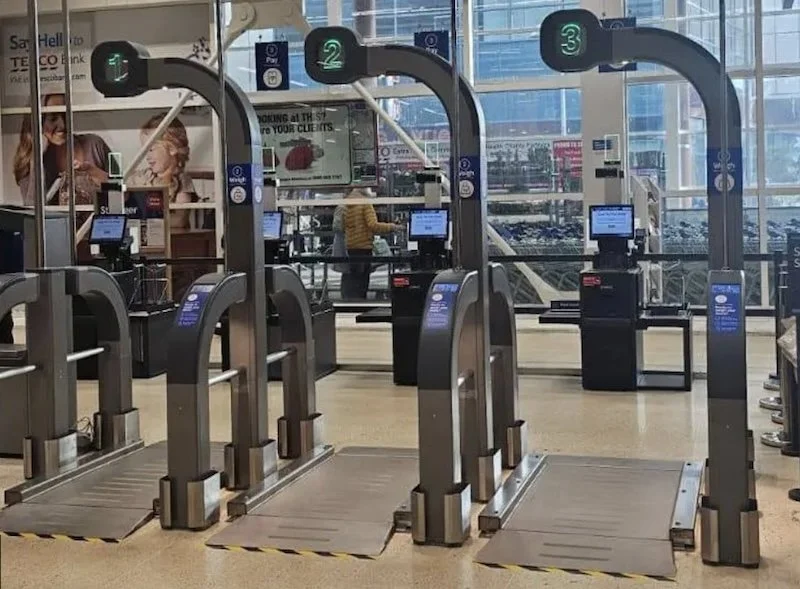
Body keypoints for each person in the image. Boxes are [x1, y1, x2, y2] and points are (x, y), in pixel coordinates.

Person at [14, 93, 111, 208]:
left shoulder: (95, 144)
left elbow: (125, 195)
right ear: (37, 122)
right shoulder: (27, 159)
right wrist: (38, 156)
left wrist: (94, 173)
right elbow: (32, 213)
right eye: (53, 118)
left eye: (66, 116)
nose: (63, 125)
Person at [133, 113, 197, 229]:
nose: (147, 156)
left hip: (173, 241)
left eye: (151, 149)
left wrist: (142, 220)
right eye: (145, 150)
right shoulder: (141, 176)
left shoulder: (183, 180)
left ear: (172, 149)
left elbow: (179, 220)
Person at [341, 188, 401, 300]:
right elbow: (373, 225)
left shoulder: (347, 204)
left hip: (351, 246)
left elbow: (343, 226)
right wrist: (393, 227)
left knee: (355, 279)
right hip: (364, 246)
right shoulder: (365, 204)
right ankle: (361, 305)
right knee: (363, 281)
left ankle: (353, 304)